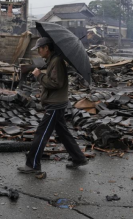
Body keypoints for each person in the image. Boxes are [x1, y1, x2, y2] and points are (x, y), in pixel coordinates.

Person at [17, 37, 88, 174]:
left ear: (46, 48)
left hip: (55, 104)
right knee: (63, 133)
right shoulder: (52, 61)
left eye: (39, 48)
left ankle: (33, 165)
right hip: (56, 103)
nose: (38, 51)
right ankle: (78, 158)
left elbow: (56, 83)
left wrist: (39, 76)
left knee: (41, 134)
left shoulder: (56, 61)